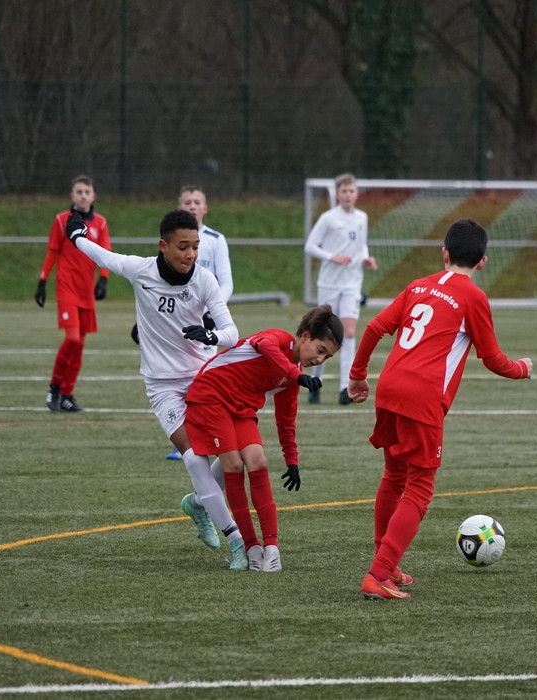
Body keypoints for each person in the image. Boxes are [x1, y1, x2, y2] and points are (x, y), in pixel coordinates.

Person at [347, 219, 533, 601]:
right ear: (482, 262)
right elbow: (492, 358)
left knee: (394, 476)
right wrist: (522, 369)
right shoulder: (473, 297)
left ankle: (386, 564)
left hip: (389, 387)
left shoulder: (417, 286)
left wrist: (357, 375)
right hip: (422, 397)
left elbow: (373, 328)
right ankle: (378, 574)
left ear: (444, 253)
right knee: (419, 489)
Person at [66, 207, 249, 569]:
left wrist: (211, 335)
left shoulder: (205, 281)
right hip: (162, 385)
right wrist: (76, 236)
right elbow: (103, 256)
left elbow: (232, 332)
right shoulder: (141, 270)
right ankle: (237, 541)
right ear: (163, 245)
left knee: (236, 456)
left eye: (195, 246)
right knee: (195, 458)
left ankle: (198, 503)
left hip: (203, 379)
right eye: (183, 247)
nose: (191, 254)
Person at [184, 305, 343, 572]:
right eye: (320, 350)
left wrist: (292, 461)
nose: (320, 359)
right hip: (211, 395)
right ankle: (250, 546)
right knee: (234, 465)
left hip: (241, 409)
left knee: (258, 461)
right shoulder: (279, 340)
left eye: (327, 356)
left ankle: (271, 547)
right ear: (305, 336)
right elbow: (264, 345)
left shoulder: (293, 376)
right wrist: (296, 374)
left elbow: (286, 421)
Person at [164, 184, 234, 461]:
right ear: (179, 208)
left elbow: (226, 281)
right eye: (187, 202)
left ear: (205, 208)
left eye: (197, 202)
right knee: (176, 375)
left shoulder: (216, 240)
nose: (192, 206)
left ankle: (208, 438)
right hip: (176, 321)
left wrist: (213, 312)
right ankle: (183, 440)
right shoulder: (171, 241)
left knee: (201, 378)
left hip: (206, 324)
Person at [34, 175, 112, 413]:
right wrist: (42, 281)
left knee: (79, 346)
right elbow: (52, 252)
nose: (83, 196)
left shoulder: (100, 223)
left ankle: (67, 395)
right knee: (72, 339)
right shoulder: (62, 220)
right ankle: (54, 388)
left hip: (86, 292)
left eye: (87, 192)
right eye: (79, 192)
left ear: (93, 196)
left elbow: (105, 252)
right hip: (66, 288)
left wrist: (103, 279)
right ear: (72, 196)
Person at [304, 173, 377, 405]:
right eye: (343, 191)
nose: (347, 195)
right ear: (337, 194)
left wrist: (366, 258)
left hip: (352, 283)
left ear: (356, 194)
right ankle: (316, 381)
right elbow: (310, 246)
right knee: (323, 333)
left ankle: (345, 387)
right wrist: (332, 257)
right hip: (329, 283)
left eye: (351, 191)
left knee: (348, 332)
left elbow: (361, 244)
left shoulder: (362, 217)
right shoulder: (328, 218)